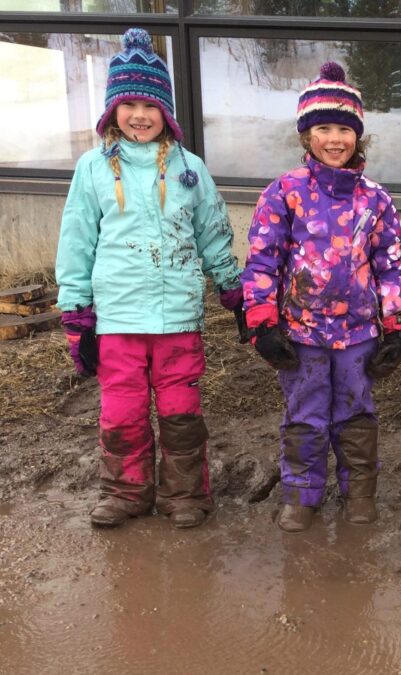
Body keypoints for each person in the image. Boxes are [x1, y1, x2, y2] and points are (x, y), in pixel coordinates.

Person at [55, 28, 245, 529]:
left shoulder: (190, 169)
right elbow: (77, 238)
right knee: (122, 409)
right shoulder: (94, 168)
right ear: (113, 109)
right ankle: (125, 491)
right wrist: (76, 310)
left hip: (177, 314)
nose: (139, 115)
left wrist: (230, 284)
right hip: (117, 315)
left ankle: (185, 493)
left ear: (167, 111)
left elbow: (212, 230)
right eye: (129, 103)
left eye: (150, 105)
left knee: (181, 408)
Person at [242, 62, 401, 534]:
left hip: (358, 332)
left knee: (356, 411)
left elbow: (390, 268)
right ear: (306, 136)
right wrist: (262, 321)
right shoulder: (285, 193)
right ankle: (301, 494)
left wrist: (397, 326)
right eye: (323, 128)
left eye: (344, 129)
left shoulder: (375, 200)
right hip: (302, 333)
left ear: (358, 136)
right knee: (306, 414)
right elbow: (262, 262)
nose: (335, 139)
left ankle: (360, 491)